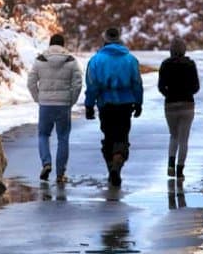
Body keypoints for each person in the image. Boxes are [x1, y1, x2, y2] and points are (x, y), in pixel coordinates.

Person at [84, 27, 143, 187]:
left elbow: (92, 85)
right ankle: (118, 162)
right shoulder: (130, 59)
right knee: (122, 136)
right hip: (125, 104)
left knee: (108, 137)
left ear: (105, 40)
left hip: (106, 104)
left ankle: (111, 167)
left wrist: (89, 105)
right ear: (119, 39)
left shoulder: (96, 60)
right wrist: (138, 102)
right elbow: (137, 82)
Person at [28, 33, 83, 184]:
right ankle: (60, 174)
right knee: (63, 138)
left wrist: (38, 98)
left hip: (45, 104)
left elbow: (31, 82)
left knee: (43, 135)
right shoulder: (71, 61)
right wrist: (71, 101)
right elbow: (78, 84)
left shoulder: (40, 60)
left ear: (50, 44)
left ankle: (46, 163)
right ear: (63, 45)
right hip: (63, 105)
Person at [158, 36, 200, 180]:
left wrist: (169, 94)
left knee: (173, 135)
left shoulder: (165, 65)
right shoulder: (190, 65)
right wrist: (187, 93)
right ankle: (180, 170)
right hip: (187, 105)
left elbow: (160, 86)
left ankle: (170, 164)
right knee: (184, 139)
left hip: (170, 105)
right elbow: (196, 87)